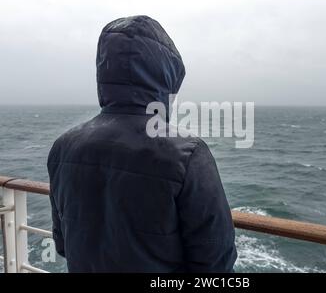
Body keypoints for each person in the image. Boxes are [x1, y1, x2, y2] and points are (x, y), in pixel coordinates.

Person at [47, 15, 237, 272]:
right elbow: (217, 262)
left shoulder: (62, 148)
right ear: (165, 78)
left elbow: (63, 245)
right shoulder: (188, 155)